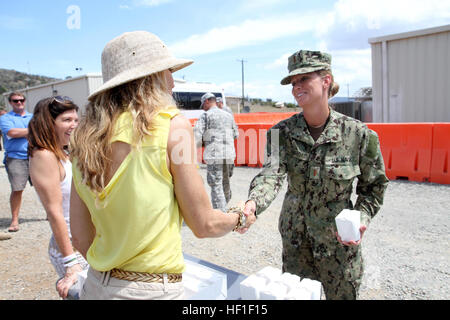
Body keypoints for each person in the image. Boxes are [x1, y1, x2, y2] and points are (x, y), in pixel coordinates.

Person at [69, 30, 254, 300]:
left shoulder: (83, 137)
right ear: (150, 78)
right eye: (168, 71)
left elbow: (81, 237)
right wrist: (239, 217)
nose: (173, 83)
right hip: (151, 290)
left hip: (97, 285)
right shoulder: (171, 126)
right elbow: (203, 224)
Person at [243, 50, 389, 300]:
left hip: (339, 247)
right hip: (296, 245)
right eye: (293, 82)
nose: (296, 87)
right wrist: (253, 203)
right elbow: (271, 174)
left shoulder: (359, 135)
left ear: (326, 80)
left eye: (304, 79)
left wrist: (362, 217)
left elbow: (373, 187)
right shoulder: (281, 133)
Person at [27, 96, 88, 299]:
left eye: (76, 120)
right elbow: (54, 212)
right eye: (67, 120)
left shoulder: (64, 152)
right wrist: (70, 263)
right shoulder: (44, 156)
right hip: (70, 247)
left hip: (84, 241)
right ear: (48, 122)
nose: (74, 125)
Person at [194, 92, 239, 211]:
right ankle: (225, 205)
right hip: (229, 154)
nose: (203, 107)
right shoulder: (228, 115)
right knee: (225, 183)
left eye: (203, 104)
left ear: (207, 101)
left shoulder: (205, 116)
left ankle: (221, 214)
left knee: (216, 185)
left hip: (214, 155)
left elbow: (197, 137)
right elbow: (236, 134)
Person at [0, 92, 33, 232]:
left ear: (25, 101)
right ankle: (14, 220)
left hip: (34, 156)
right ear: (10, 102)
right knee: (17, 189)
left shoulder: (32, 117)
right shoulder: (5, 118)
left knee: (45, 186)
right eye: (15, 101)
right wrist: (32, 130)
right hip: (16, 157)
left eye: (21, 100)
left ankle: (51, 214)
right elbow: (11, 133)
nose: (19, 103)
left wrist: (22, 131)